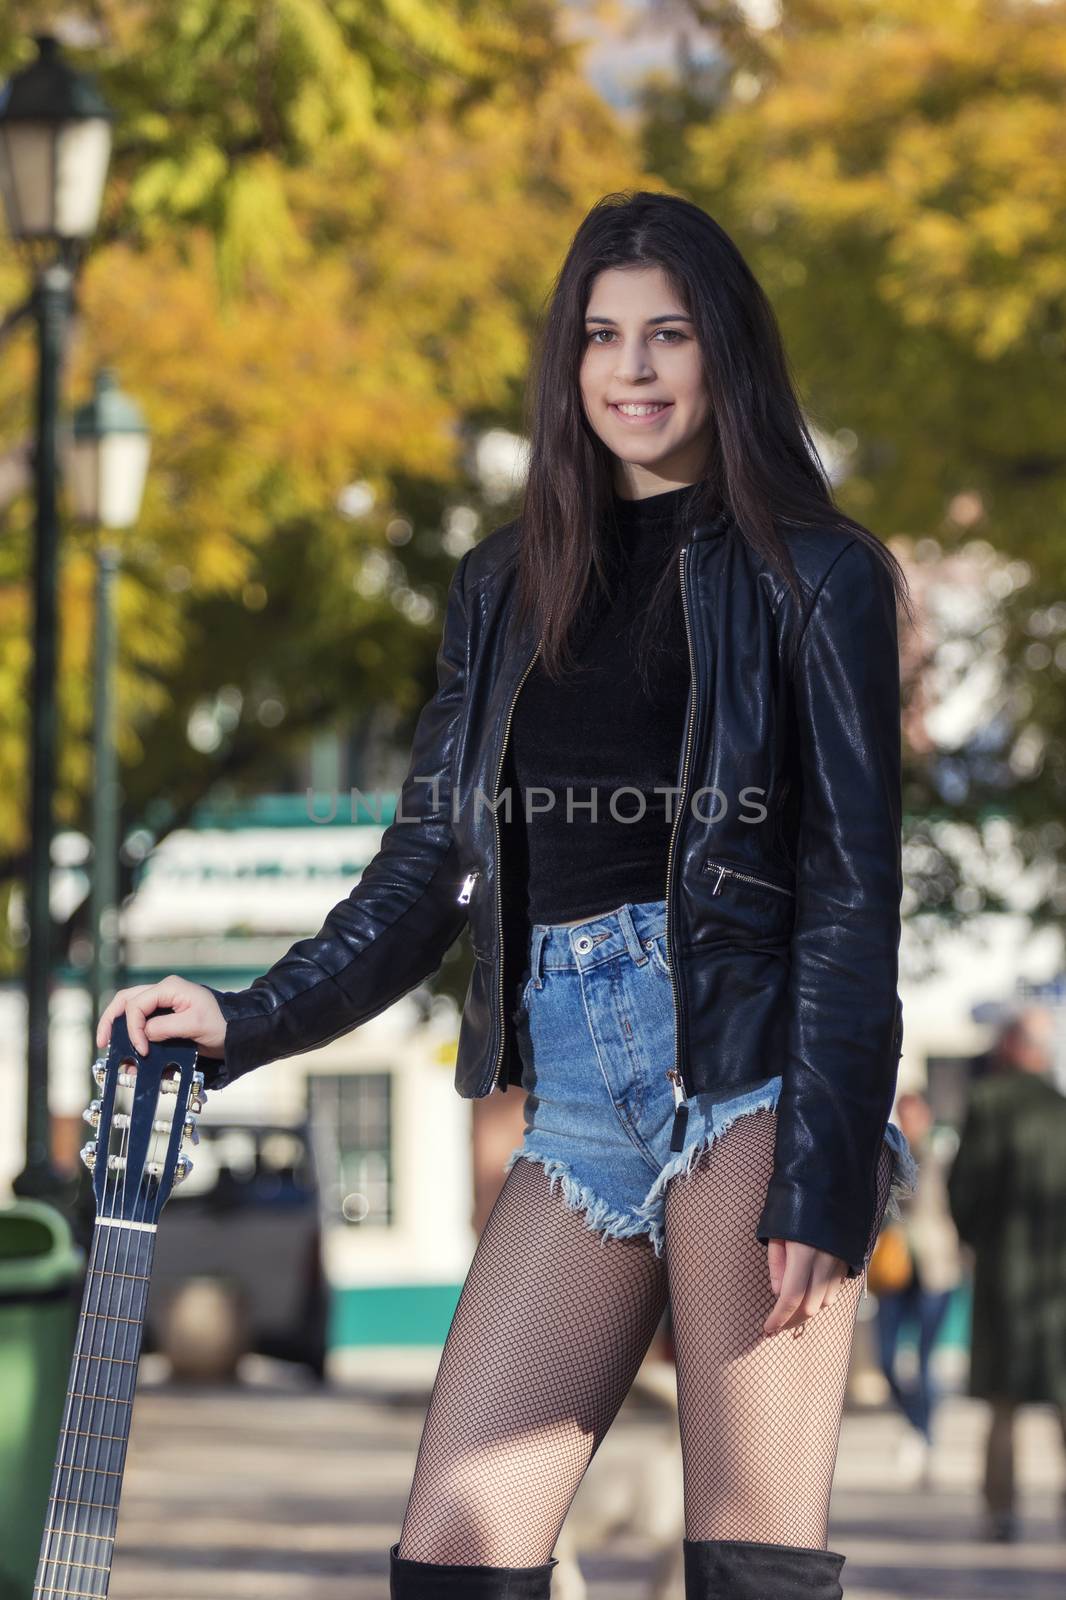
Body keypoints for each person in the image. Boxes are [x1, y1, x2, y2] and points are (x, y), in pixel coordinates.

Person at [96, 191, 920, 1600]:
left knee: (748, 1569)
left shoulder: (817, 573)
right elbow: (425, 868)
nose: (634, 369)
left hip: (749, 1074)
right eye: (601, 337)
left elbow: (851, 894)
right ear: (567, 364)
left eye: (667, 334)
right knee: (457, 1553)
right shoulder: (502, 585)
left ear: (724, 351)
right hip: (581, 1092)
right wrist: (246, 1015)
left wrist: (827, 1164)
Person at [947, 1004, 1066, 1543]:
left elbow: (965, 1192)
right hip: (1057, 1287)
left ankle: (1001, 1511)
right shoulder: (1062, 1109)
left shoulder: (989, 1104)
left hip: (1006, 1280)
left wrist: (981, 1243)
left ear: (1010, 1048)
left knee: (1003, 1405)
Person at [874, 1090, 962, 1485]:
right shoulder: (889, 1149)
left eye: (914, 1113)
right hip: (894, 1267)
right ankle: (918, 1425)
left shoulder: (941, 1153)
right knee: (887, 1359)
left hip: (935, 1267)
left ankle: (925, 1436)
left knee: (925, 1360)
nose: (909, 1120)